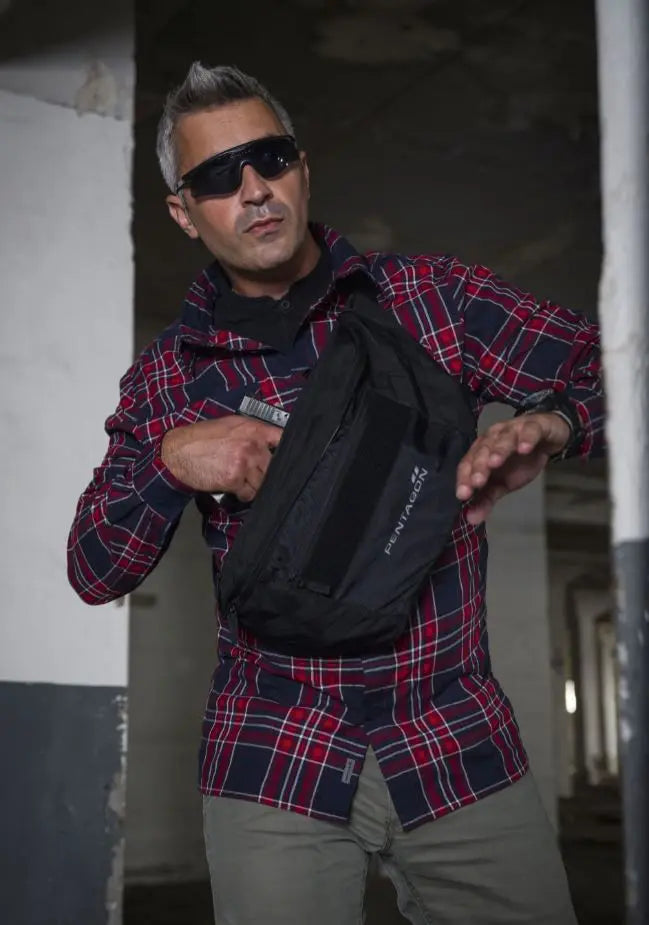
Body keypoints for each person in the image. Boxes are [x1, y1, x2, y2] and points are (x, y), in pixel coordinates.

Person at [67, 62, 603, 925]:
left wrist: (559, 424)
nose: (253, 189)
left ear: (302, 168)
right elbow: (94, 569)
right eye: (217, 176)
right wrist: (169, 459)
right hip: (273, 754)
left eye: (270, 158)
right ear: (184, 212)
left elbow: (615, 370)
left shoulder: (432, 300)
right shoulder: (169, 377)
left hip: (454, 741)